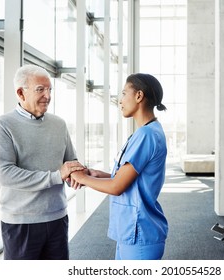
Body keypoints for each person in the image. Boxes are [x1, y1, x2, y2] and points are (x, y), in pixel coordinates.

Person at [69, 73, 168, 260]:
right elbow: (130, 180)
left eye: (124, 93)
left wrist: (82, 178)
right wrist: (99, 175)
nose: (120, 100)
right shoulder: (148, 131)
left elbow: (117, 187)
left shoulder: (146, 135)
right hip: (132, 232)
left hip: (139, 233)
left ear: (139, 96)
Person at [0, 64, 84, 260]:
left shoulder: (59, 124)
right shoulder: (3, 125)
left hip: (57, 217)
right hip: (21, 222)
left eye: (49, 89)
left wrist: (76, 174)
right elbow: (5, 174)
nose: (47, 96)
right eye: (40, 89)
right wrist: (58, 176)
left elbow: (70, 161)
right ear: (21, 93)